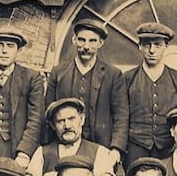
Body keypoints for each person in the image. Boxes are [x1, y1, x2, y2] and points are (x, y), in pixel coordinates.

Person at [44, 19, 128, 165]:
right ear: (74, 40)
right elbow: (48, 112)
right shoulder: (58, 73)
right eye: (81, 40)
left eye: (92, 41)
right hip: (65, 145)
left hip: (101, 147)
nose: (86, 46)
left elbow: (121, 114)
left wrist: (116, 148)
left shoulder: (113, 75)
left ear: (101, 43)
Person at [123, 22, 177, 176]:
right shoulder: (127, 79)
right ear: (140, 46)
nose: (152, 50)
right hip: (135, 146)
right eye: (147, 45)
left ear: (166, 47)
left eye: (158, 45)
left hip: (167, 147)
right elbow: (121, 116)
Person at [0, 27, 45, 169]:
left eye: (10, 46)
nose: (4, 51)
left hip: (19, 146)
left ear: (18, 50)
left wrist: (25, 152)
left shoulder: (32, 78)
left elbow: (36, 119)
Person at [23, 98, 115, 176]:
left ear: (82, 119)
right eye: (60, 121)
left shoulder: (99, 151)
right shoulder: (42, 152)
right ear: (53, 125)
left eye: (71, 119)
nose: (67, 126)